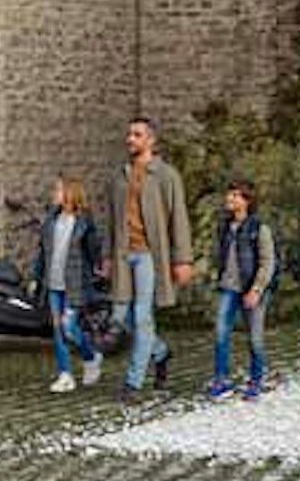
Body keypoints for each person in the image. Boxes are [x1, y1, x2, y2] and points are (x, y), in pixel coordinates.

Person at [114, 115, 191, 398]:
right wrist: (108, 258)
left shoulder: (166, 175)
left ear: (150, 140)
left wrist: (183, 258)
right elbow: (112, 219)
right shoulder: (120, 176)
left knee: (142, 316)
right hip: (124, 255)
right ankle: (160, 352)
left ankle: (133, 382)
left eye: (136, 135)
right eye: (129, 134)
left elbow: (178, 218)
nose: (130, 139)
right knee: (119, 318)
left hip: (149, 256)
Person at [207, 177, 282, 401]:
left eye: (235, 195)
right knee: (221, 333)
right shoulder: (224, 226)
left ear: (247, 201)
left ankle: (257, 379)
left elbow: (268, 263)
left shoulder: (259, 228)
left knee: (255, 338)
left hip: (252, 289)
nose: (229, 198)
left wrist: (256, 290)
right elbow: (220, 256)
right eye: (229, 194)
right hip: (229, 288)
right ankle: (222, 381)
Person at [29, 174, 101, 395]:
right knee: (58, 330)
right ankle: (65, 375)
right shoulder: (51, 220)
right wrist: (35, 277)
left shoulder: (84, 222)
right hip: (53, 285)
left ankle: (91, 356)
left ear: (70, 193)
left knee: (69, 327)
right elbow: (43, 252)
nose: (54, 194)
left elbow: (92, 253)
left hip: (74, 286)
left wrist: (94, 274)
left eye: (58, 190)